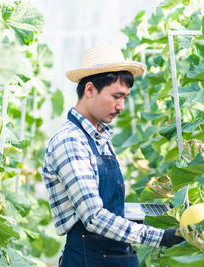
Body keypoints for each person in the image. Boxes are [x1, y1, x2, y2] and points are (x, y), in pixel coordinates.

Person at [42, 45, 183, 267]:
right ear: (90, 89)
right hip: (90, 259)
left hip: (117, 256)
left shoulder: (101, 138)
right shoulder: (70, 141)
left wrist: (165, 214)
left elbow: (112, 209)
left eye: (125, 97)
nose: (122, 106)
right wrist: (162, 237)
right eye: (116, 96)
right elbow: (94, 217)